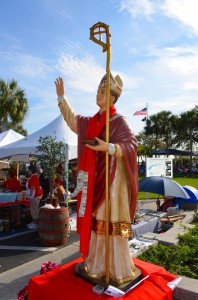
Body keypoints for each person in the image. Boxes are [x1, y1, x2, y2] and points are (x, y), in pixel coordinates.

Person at [55, 74, 138, 284]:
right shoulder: (92, 122)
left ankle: (117, 268)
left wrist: (108, 147)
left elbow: (131, 146)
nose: (98, 95)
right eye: (98, 91)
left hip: (113, 183)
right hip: (94, 181)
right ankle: (97, 264)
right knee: (96, 224)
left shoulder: (118, 121)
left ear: (112, 98)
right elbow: (74, 121)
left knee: (110, 223)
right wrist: (61, 98)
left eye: (102, 92)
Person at [27, 165, 43, 229]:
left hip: (36, 195)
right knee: (33, 208)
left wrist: (30, 196)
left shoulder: (33, 177)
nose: (28, 171)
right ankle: (34, 221)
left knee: (34, 209)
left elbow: (33, 188)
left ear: (31, 170)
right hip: (36, 194)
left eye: (28, 170)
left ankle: (36, 223)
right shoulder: (33, 177)